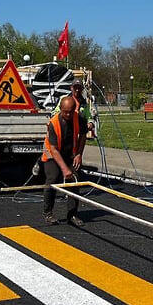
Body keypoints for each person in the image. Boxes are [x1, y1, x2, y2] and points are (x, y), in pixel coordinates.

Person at [41, 95, 86, 227]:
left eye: (70, 112)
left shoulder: (79, 118)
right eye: (65, 112)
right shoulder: (53, 123)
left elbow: (83, 135)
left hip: (69, 153)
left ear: (74, 110)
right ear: (60, 109)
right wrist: (65, 169)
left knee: (75, 179)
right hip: (52, 153)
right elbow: (54, 149)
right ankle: (48, 213)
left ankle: (72, 214)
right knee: (53, 178)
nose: (68, 115)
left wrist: (79, 154)